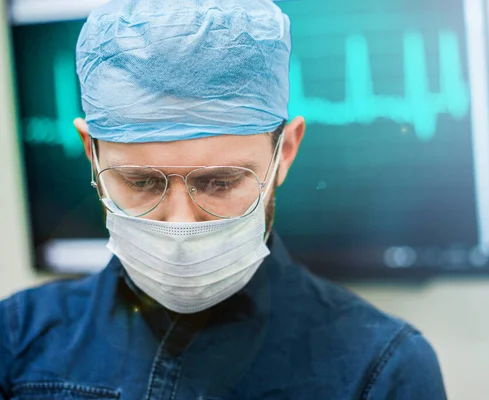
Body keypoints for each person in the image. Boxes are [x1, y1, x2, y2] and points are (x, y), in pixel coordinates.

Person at [0, 0, 446, 398]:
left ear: (284, 153)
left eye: (219, 182)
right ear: (91, 155)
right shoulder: (17, 341)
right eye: (141, 182)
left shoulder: (379, 370)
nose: (180, 225)